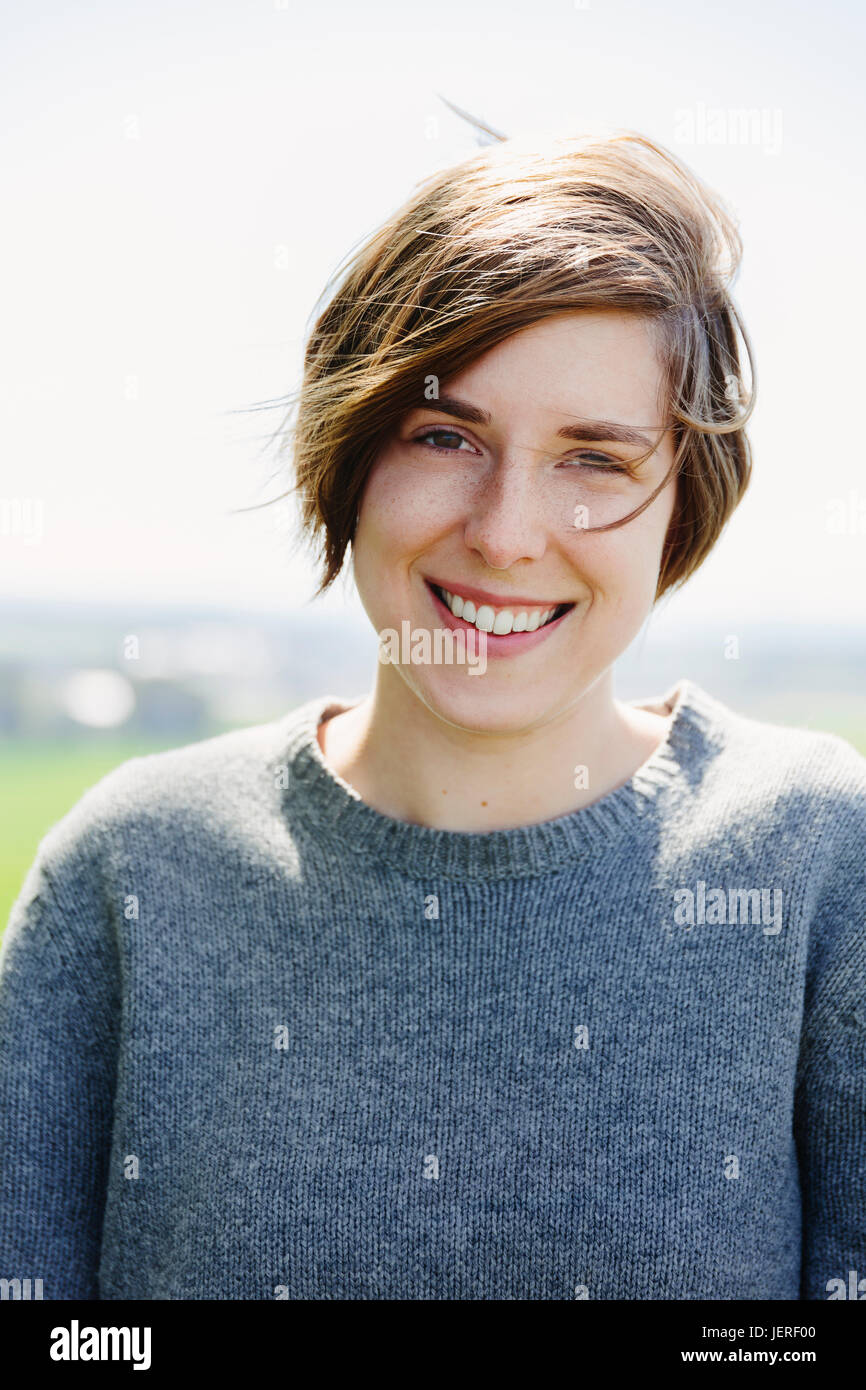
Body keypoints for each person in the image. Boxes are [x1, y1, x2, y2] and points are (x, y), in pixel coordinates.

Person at [1, 129, 864, 1301]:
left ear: (683, 511)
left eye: (594, 460)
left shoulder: (818, 858)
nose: (506, 531)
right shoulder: (133, 871)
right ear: (350, 457)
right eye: (446, 436)